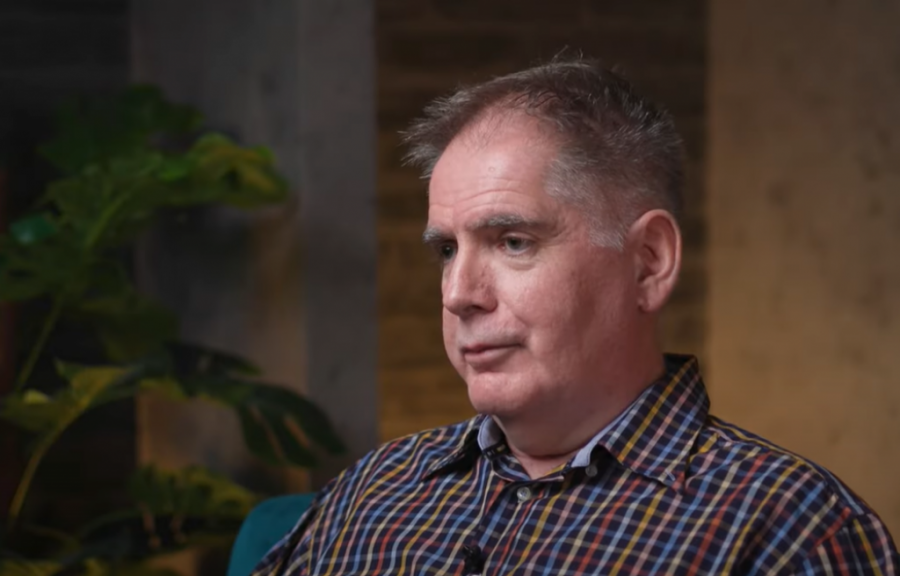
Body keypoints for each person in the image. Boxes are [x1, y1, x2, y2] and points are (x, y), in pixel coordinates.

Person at [252, 58, 899, 575]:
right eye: (447, 250)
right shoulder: (372, 490)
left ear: (648, 262)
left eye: (513, 242)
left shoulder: (791, 529)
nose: (458, 294)